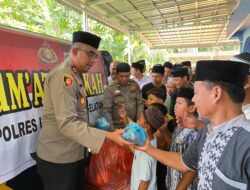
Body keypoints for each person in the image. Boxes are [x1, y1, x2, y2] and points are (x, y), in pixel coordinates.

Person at [35, 31, 130, 190]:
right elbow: (67, 123)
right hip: (59, 159)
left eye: (96, 56)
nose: (94, 60)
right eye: (90, 54)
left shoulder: (75, 75)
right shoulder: (64, 76)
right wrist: (108, 136)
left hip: (73, 154)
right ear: (74, 52)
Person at [136, 60, 250, 189]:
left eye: (196, 92)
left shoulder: (246, 141)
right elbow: (184, 162)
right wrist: (149, 149)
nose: (194, 99)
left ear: (216, 93)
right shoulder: (207, 132)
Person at [119, 105, 166, 190]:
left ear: (147, 126)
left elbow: (144, 182)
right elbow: (136, 149)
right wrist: (125, 118)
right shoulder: (148, 139)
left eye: (139, 119)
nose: (137, 121)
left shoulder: (146, 154)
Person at [166, 87, 197, 190]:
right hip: (172, 183)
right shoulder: (179, 125)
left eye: (179, 103)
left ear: (192, 108)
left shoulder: (194, 132)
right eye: (175, 103)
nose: (175, 106)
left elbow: (193, 167)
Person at [103, 63, 144, 129]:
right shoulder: (110, 89)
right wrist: (112, 130)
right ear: (116, 75)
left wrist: (139, 122)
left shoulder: (134, 85)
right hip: (118, 127)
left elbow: (140, 104)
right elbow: (106, 111)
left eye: (127, 76)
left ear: (130, 75)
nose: (124, 79)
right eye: (121, 76)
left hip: (134, 125)